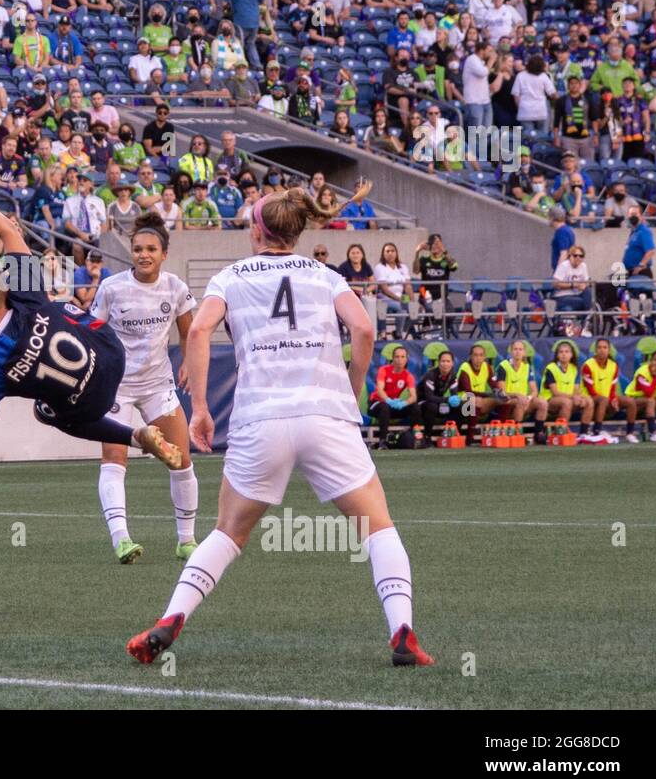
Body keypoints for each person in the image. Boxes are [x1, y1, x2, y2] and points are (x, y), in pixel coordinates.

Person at [126, 186, 434, 669]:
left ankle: (171, 618)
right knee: (376, 528)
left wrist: (202, 406)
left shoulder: (229, 277)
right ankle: (402, 632)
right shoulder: (325, 274)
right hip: (326, 415)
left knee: (228, 532)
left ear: (256, 231)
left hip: (260, 418)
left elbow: (201, 330)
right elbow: (366, 329)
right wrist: (352, 386)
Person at [0, 173, 182, 488]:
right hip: (112, 353)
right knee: (63, 308)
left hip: (90, 400)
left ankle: (135, 437)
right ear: (5, 290)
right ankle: (136, 430)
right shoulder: (26, 295)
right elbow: (6, 228)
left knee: (47, 412)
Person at [89, 211, 198, 564]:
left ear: (163, 253)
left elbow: (191, 333)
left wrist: (187, 363)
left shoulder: (176, 288)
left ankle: (186, 540)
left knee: (180, 460)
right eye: (137, 249)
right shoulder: (112, 287)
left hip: (158, 385)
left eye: (151, 248)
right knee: (114, 461)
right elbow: (93, 332)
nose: (143, 254)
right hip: (116, 387)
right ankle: (122, 539)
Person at [368, 346, 419, 449]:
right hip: (377, 404)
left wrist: (403, 403)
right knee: (384, 407)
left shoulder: (408, 376)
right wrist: (388, 401)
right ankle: (383, 441)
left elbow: (413, 397)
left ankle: (414, 437)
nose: (400, 360)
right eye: (397, 357)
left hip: (394, 405)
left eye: (402, 357)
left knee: (415, 407)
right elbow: (379, 390)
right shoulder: (384, 370)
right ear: (392, 358)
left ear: (406, 359)